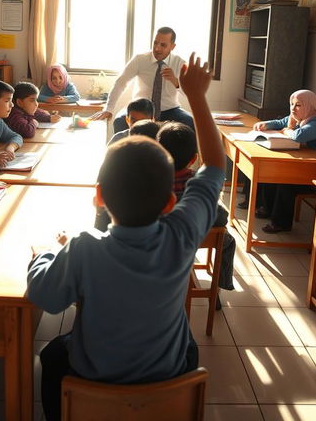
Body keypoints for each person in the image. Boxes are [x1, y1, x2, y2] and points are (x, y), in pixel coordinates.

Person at [28, 54, 226, 421]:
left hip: (93, 382)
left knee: (53, 354)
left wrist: (44, 256)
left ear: (99, 197)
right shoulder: (182, 234)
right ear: (170, 201)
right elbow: (215, 166)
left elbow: (45, 296)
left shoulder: (84, 248)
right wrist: (196, 96)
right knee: (188, 346)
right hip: (167, 379)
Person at [156, 121, 235, 296]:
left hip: (161, 237)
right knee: (227, 240)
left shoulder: (154, 180)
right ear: (193, 158)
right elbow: (219, 217)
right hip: (197, 236)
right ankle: (218, 287)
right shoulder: (198, 181)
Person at [250, 90, 316, 234]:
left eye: (298, 105)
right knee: (271, 173)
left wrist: (288, 130)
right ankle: (267, 209)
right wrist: (265, 124)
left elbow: (299, 135)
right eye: (292, 104)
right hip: (301, 167)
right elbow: (280, 122)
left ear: (309, 106)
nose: (293, 108)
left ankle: (281, 223)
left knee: (285, 182)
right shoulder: (299, 118)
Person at [91, 27, 194, 133]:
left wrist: (176, 82)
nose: (157, 48)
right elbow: (121, 83)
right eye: (155, 43)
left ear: (172, 46)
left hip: (169, 110)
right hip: (141, 108)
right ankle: (125, 149)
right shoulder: (140, 59)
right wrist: (109, 109)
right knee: (119, 121)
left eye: (163, 45)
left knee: (189, 121)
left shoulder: (179, 63)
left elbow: (191, 93)